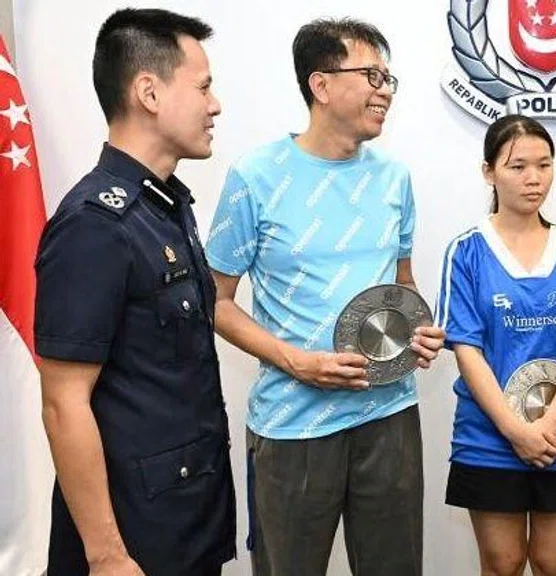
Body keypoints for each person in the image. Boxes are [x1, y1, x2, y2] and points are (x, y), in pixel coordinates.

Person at [204, 18, 444, 576]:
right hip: (293, 426)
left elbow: (401, 285)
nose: (385, 89)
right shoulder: (255, 177)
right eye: (372, 75)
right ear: (321, 84)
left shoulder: (394, 178)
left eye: (390, 78)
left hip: (390, 417)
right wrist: (296, 362)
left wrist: (417, 330)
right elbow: (215, 300)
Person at [34, 9, 234, 576]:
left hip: (186, 522)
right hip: (130, 546)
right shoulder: (95, 225)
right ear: (149, 91)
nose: (215, 104)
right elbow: (63, 402)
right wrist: (105, 556)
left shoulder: (167, 209)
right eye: (203, 86)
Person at [436, 114, 556, 576]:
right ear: (489, 171)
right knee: (502, 562)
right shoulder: (466, 250)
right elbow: (466, 349)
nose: (533, 178)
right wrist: (515, 430)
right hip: (489, 437)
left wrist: (548, 425)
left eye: (544, 164)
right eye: (517, 167)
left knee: (555, 562)